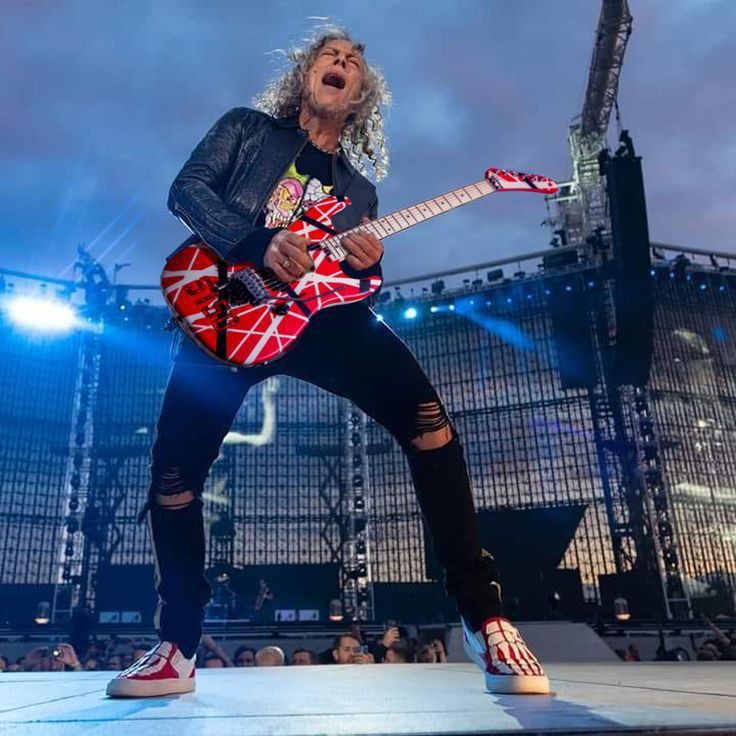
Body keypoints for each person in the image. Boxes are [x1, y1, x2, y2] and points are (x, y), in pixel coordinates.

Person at [106, 27, 548, 699]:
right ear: (305, 74)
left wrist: (372, 264)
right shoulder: (248, 131)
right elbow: (189, 190)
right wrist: (255, 241)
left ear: (362, 94)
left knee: (430, 422)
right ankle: (177, 644)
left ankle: (485, 619)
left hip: (320, 323)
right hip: (228, 313)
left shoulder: (360, 194)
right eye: (330, 55)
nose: (341, 63)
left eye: (354, 63)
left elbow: (343, 278)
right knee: (172, 480)